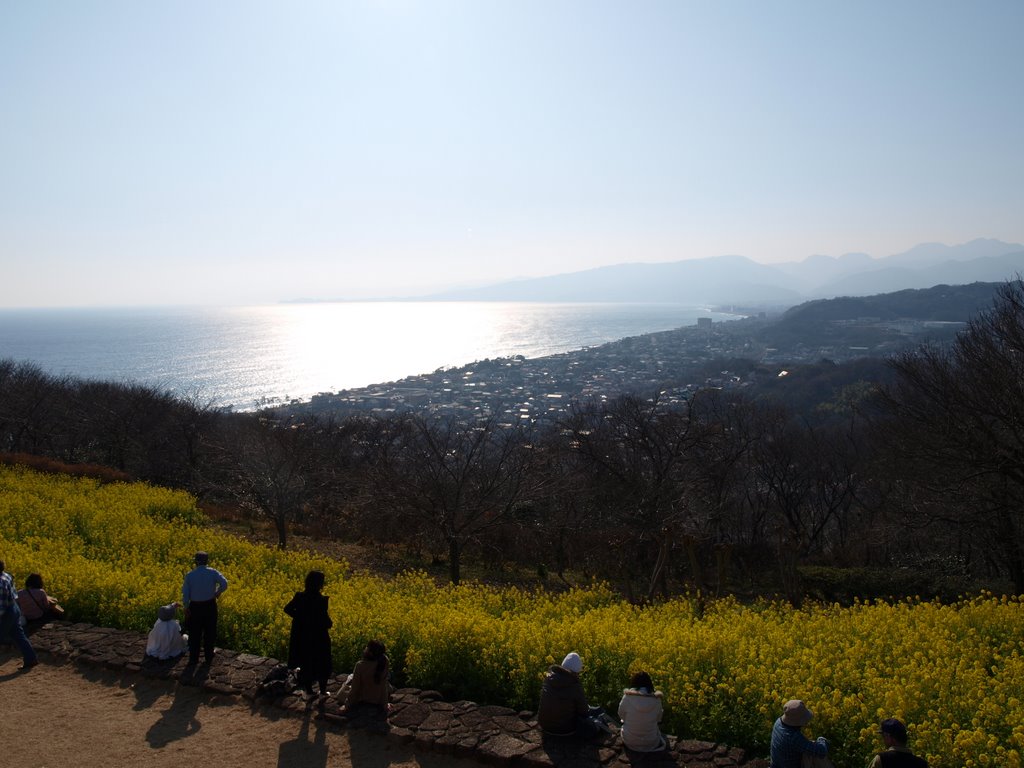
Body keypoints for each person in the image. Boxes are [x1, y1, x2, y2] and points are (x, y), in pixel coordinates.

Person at [537, 651, 612, 738]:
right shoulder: (574, 685)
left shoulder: (548, 678)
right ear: (576, 671)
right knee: (597, 717)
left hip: (544, 725)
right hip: (565, 729)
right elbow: (584, 712)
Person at [284, 570, 333, 699]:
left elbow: (287, 609)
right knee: (322, 663)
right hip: (319, 637)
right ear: (320, 584)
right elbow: (326, 621)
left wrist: (300, 619)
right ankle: (322, 692)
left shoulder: (299, 596)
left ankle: (309, 692)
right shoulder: (321, 600)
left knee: (306, 663)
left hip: (303, 637)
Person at [181, 551, 228, 666]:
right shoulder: (213, 572)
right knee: (210, 631)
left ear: (196, 562)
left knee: (194, 633)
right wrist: (217, 593)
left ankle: (193, 658)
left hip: (195, 607)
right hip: (210, 605)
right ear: (207, 561)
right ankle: (208, 656)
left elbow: (185, 594)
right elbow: (225, 583)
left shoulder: (190, 575)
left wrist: (186, 607)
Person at [0, 559, 39, 671]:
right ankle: (31, 659)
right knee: (18, 635)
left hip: (6, 612)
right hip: (14, 608)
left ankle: (31, 659)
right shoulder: (7, 576)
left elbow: (1, 606)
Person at [770, 699, 829, 768]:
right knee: (814, 755)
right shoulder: (793, 737)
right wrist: (821, 739)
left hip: (776, 765)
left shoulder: (778, 722)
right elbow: (821, 751)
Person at [617, 670, 666, 751]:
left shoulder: (627, 697)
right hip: (651, 742)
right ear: (649, 683)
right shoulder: (657, 699)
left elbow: (620, 714)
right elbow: (659, 719)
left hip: (630, 741)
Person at [341, 639, 390, 715]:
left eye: (367, 647)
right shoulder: (385, 660)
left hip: (363, 698)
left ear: (370, 652)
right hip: (377, 698)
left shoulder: (360, 665)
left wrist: (346, 705)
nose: (365, 648)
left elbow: (355, 688)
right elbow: (384, 685)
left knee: (341, 693)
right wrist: (385, 704)